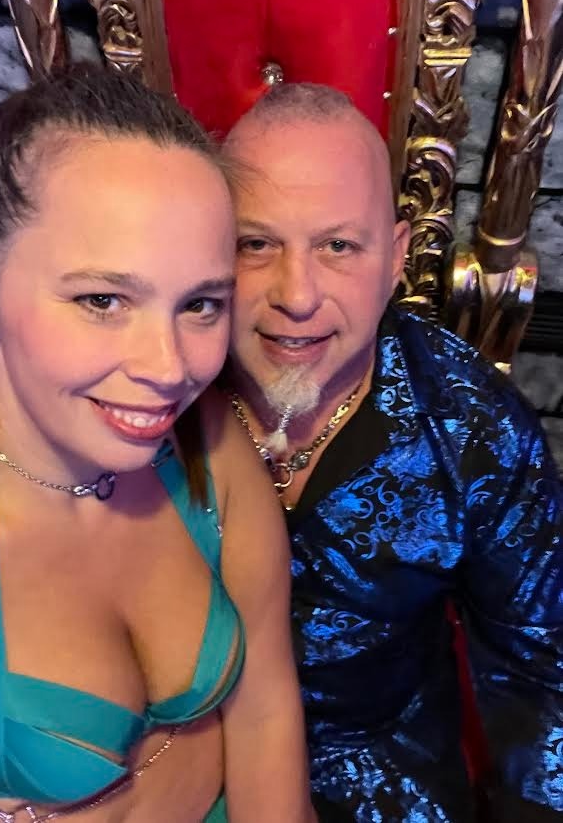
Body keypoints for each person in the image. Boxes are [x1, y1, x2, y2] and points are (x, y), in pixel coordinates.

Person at [0, 65, 316, 823]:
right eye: (103, 299)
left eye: (200, 304)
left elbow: (264, 714)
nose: (169, 368)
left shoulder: (209, 448)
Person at [222, 82, 563, 823]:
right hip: (178, 758)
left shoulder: (473, 428)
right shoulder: (155, 389)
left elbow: (544, 667)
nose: (297, 295)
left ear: (396, 257)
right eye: (255, 244)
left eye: (338, 246)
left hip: (382, 780)